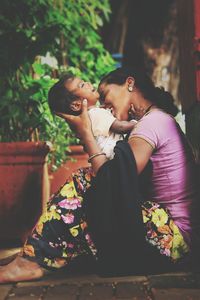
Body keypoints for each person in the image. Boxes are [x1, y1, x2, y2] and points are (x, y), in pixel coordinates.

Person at [0, 67, 199, 283]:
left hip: (174, 240)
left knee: (84, 180)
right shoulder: (156, 121)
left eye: (105, 96)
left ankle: (33, 260)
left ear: (129, 84)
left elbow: (110, 183)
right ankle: (36, 255)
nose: (104, 105)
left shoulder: (151, 124)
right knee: (89, 190)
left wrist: (86, 134)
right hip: (171, 235)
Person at [48, 73, 136, 160]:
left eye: (84, 81)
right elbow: (121, 127)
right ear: (76, 105)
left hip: (105, 160)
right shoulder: (95, 113)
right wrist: (138, 122)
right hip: (119, 155)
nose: (88, 83)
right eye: (82, 85)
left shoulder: (89, 118)